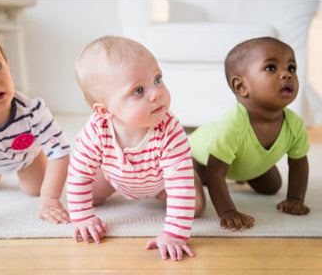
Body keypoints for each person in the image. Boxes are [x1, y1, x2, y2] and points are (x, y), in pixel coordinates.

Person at [68, 36, 206, 261]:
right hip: (114, 176)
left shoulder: (170, 131)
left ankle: (194, 174)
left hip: (161, 180)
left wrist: (174, 235)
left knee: (195, 205)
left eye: (157, 79)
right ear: (105, 111)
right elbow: (79, 174)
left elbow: (179, 187)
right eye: (138, 90)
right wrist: (82, 218)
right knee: (84, 195)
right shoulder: (96, 130)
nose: (157, 93)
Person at [190, 37, 310, 231]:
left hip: (243, 161)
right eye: (271, 68)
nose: (287, 75)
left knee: (272, 186)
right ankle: (196, 170)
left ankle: (240, 173)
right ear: (241, 86)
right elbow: (216, 173)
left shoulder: (295, 125)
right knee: (199, 180)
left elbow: (299, 163)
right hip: (200, 155)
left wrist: (295, 199)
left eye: (291, 68)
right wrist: (227, 211)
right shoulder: (233, 124)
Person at [0, 25, 71, 232]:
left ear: (8, 65)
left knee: (36, 189)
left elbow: (60, 152)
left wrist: (50, 198)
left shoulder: (33, 109)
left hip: (27, 157)